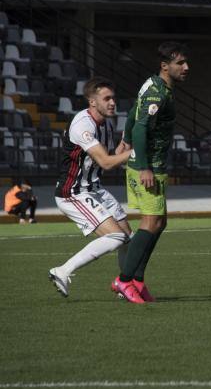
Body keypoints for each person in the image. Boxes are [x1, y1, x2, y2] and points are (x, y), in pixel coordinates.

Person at [113, 42, 188, 304]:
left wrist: (124, 138)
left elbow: (134, 113)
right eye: (180, 63)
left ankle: (138, 280)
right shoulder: (158, 94)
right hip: (148, 166)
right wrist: (144, 166)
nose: (186, 67)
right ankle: (123, 280)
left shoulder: (153, 85)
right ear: (165, 66)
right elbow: (141, 128)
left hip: (151, 164)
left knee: (160, 222)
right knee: (151, 223)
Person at [48, 77, 133, 297]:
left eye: (113, 98)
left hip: (93, 187)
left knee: (128, 238)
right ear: (92, 102)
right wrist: (134, 154)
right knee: (116, 237)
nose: (112, 102)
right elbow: (106, 162)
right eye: (107, 98)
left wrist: (127, 143)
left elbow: (110, 159)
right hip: (73, 192)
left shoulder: (106, 123)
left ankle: (125, 285)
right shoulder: (82, 125)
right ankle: (62, 270)